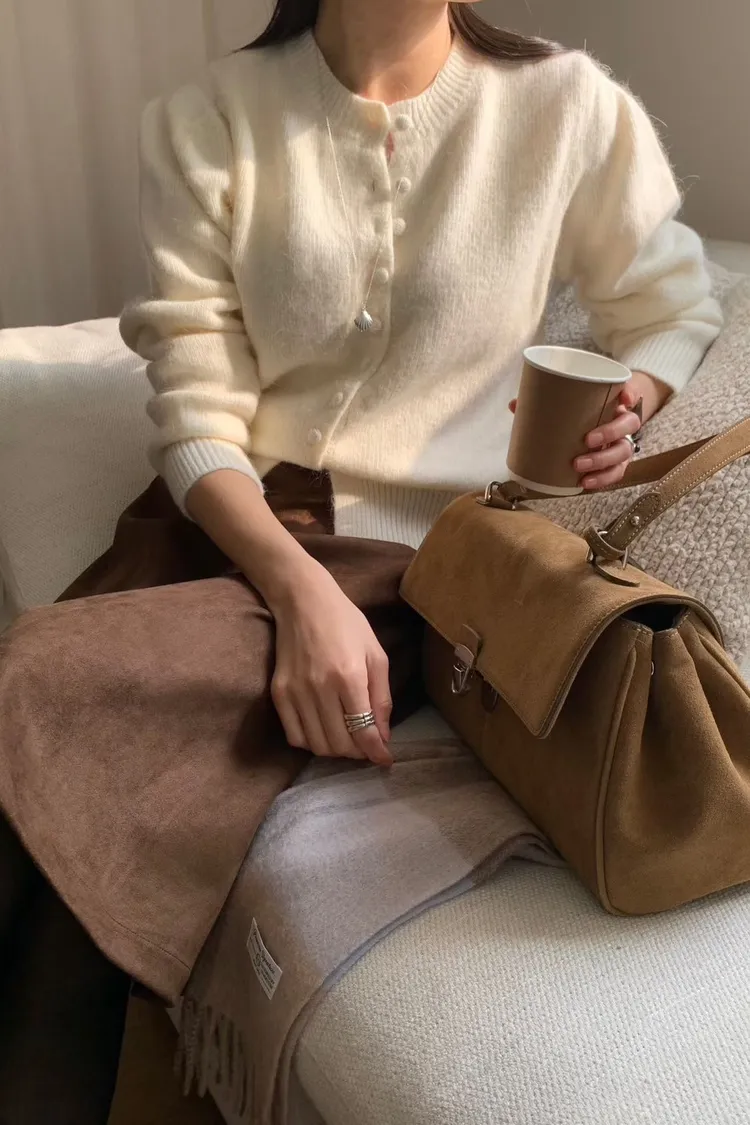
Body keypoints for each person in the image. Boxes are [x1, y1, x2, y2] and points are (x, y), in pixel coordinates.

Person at [0, 1, 722, 1122]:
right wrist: (299, 593)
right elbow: (195, 413)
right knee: (42, 729)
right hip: (220, 525)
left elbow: (674, 301)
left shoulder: (567, 108)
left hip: (416, 562)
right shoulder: (209, 118)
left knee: (41, 687)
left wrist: (632, 397)